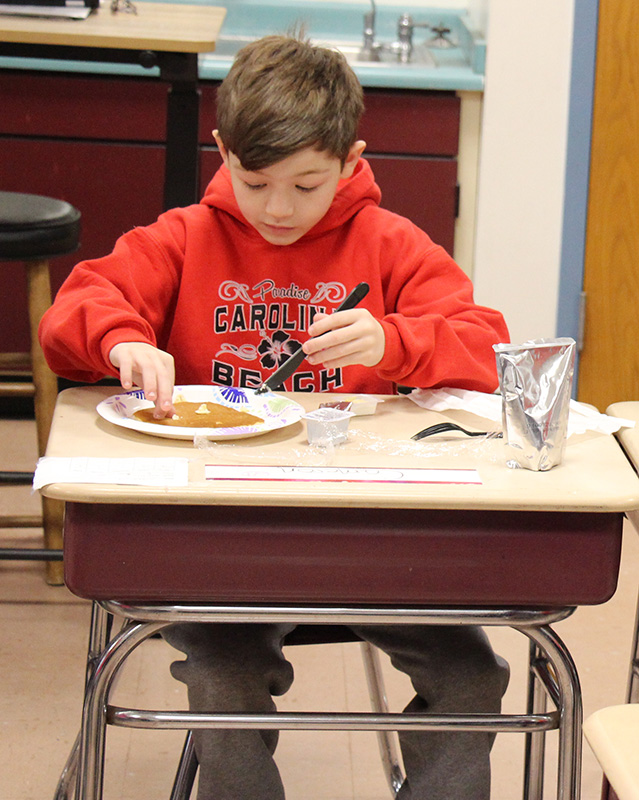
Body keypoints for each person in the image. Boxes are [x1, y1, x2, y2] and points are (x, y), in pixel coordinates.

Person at [40, 34, 510, 800]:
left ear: (352, 159)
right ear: (221, 150)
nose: (278, 209)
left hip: (370, 541)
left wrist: (396, 341)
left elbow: (488, 347)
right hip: (226, 541)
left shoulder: (389, 245)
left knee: (470, 675)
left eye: (306, 183)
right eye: (254, 182)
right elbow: (72, 314)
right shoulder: (185, 237)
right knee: (224, 672)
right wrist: (122, 340)